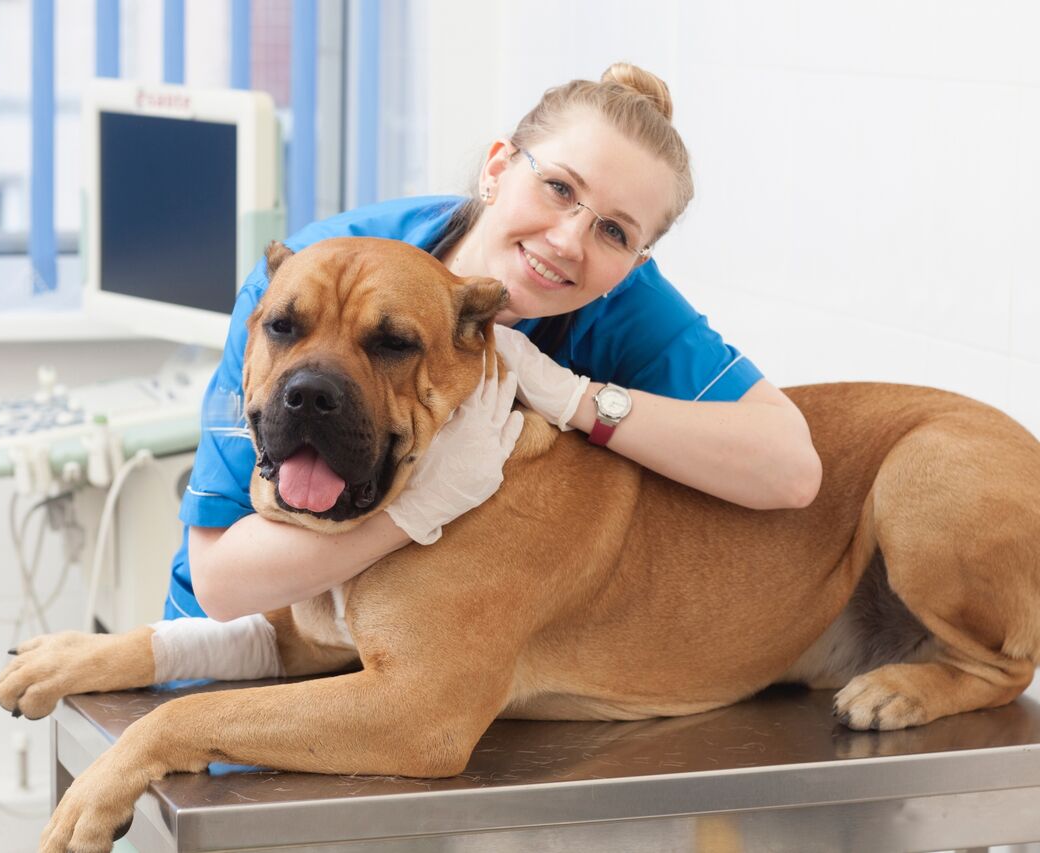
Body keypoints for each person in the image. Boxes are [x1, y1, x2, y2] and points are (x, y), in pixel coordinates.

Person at [167, 62, 822, 623]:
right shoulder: (306, 281)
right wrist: (423, 505)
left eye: (616, 232)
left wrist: (574, 399)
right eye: (558, 187)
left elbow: (790, 467)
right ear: (498, 168)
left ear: (638, 261)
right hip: (225, 654)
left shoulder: (619, 302)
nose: (569, 241)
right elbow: (224, 585)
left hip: (409, 665)